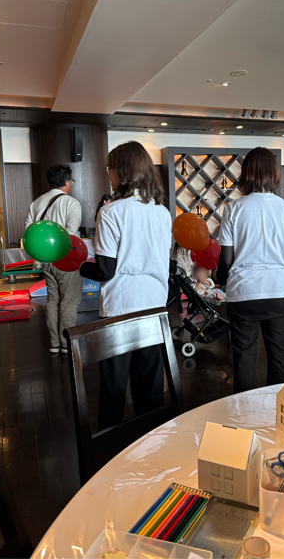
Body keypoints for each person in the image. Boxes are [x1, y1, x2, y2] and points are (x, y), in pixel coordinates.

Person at [80, 141, 172, 430]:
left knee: (114, 384)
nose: (108, 174)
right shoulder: (162, 211)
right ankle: (152, 442)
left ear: (121, 171)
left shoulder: (111, 212)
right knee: (151, 385)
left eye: (110, 168)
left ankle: (111, 447)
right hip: (154, 304)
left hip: (120, 306)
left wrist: (80, 265)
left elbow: (105, 270)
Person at [216, 147, 284, 393]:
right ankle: (281, 410)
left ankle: (246, 412)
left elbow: (226, 260)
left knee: (244, 357)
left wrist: (219, 279)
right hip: (278, 291)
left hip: (243, 292)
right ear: (274, 173)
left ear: (246, 173)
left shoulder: (234, 208)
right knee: (279, 354)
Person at [25, 164, 83, 354]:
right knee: (69, 301)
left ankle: (55, 343)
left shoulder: (36, 203)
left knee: (52, 300)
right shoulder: (71, 203)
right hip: (66, 261)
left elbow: (29, 234)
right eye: (71, 181)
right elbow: (70, 235)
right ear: (66, 181)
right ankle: (67, 344)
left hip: (45, 260)